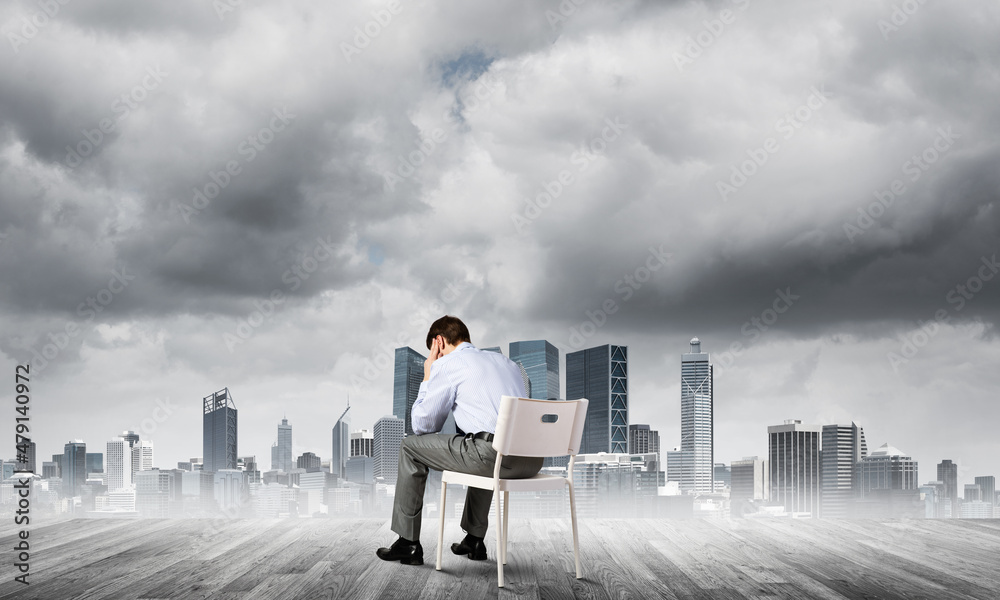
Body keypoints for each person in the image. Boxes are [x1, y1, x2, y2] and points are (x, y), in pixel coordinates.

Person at [376, 315, 543, 566]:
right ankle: (474, 539)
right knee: (480, 442)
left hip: (492, 456)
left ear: (439, 342)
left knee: (410, 447)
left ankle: (408, 542)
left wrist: (428, 375)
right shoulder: (507, 363)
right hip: (531, 460)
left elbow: (422, 426)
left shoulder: (449, 363)